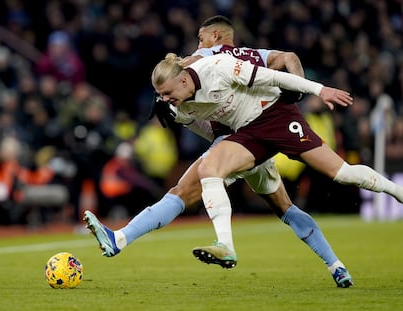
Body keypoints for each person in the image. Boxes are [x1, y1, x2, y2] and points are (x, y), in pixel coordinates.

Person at [84, 16, 355, 288]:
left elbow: (186, 70)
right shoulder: (252, 56)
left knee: (182, 191)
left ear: (215, 35)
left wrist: (178, 102)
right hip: (254, 138)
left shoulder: (204, 58)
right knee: (284, 208)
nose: (197, 45)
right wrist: (297, 88)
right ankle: (337, 266)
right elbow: (288, 57)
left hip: (243, 141)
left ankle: (123, 239)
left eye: (201, 38)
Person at [151, 50, 403, 286]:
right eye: (160, 95)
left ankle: (396, 191)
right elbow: (196, 124)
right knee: (210, 170)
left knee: (343, 174)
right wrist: (175, 115)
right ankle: (226, 246)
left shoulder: (219, 66)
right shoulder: (178, 103)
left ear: (183, 81)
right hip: (248, 134)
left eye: (166, 93)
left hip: (276, 117)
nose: (164, 99)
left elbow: (275, 75)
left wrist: (321, 90)